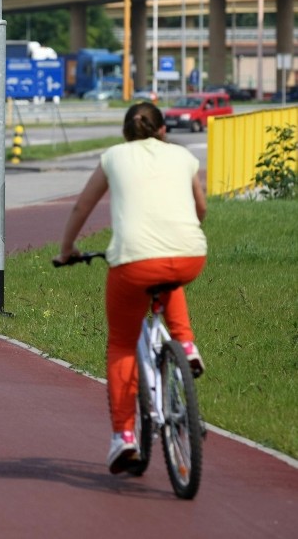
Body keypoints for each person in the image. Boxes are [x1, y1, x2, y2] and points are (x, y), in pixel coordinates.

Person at [53, 102, 207, 475]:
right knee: (168, 274)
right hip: (190, 256)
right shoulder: (182, 156)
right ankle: (185, 345)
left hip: (134, 263)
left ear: (125, 133)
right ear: (163, 131)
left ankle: (124, 436)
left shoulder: (113, 157)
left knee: (122, 343)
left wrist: (67, 250)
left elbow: (82, 208)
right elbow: (201, 209)